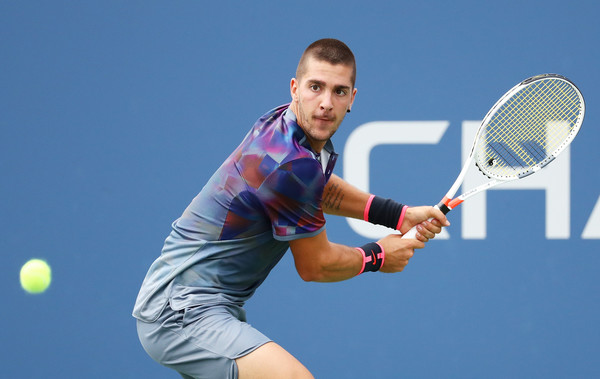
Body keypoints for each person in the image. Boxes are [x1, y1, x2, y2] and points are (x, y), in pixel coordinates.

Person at [133, 38, 450, 379]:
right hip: (180, 312)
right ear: (295, 88)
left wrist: (396, 215)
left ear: (352, 99)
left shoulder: (288, 129)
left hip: (196, 304)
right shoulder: (288, 164)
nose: (326, 103)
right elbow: (316, 266)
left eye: (339, 91)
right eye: (316, 87)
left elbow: (315, 189)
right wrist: (378, 256)